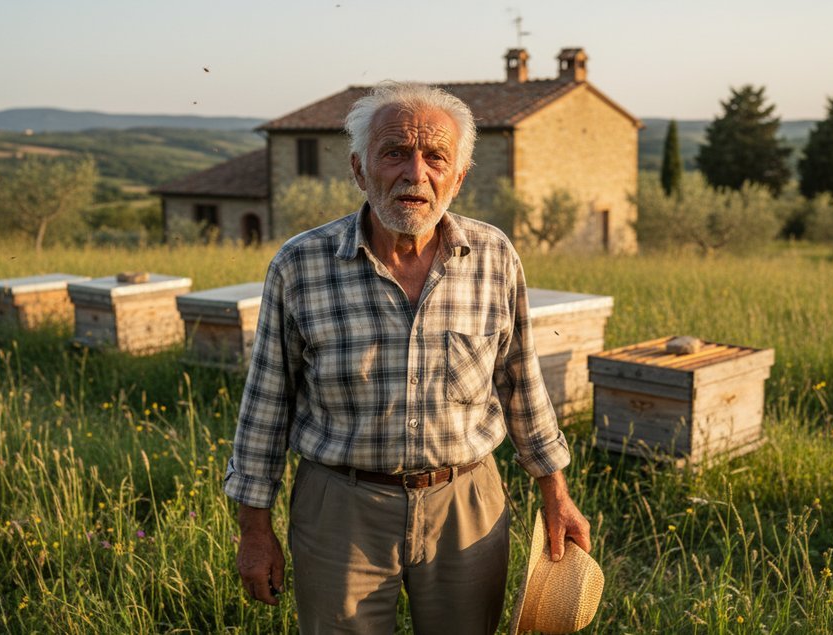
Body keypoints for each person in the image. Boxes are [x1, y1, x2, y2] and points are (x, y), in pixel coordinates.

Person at [224, 81, 591, 634]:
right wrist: (254, 529)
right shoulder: (300, 265)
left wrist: (556, 494)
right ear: (359, 168)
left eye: (435, 156)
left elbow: (521, 383)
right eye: (394, 152)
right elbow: (265, 406)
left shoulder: (494, 256)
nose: (415, 173)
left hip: (467, 504)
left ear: (459, 176)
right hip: (340, 508)